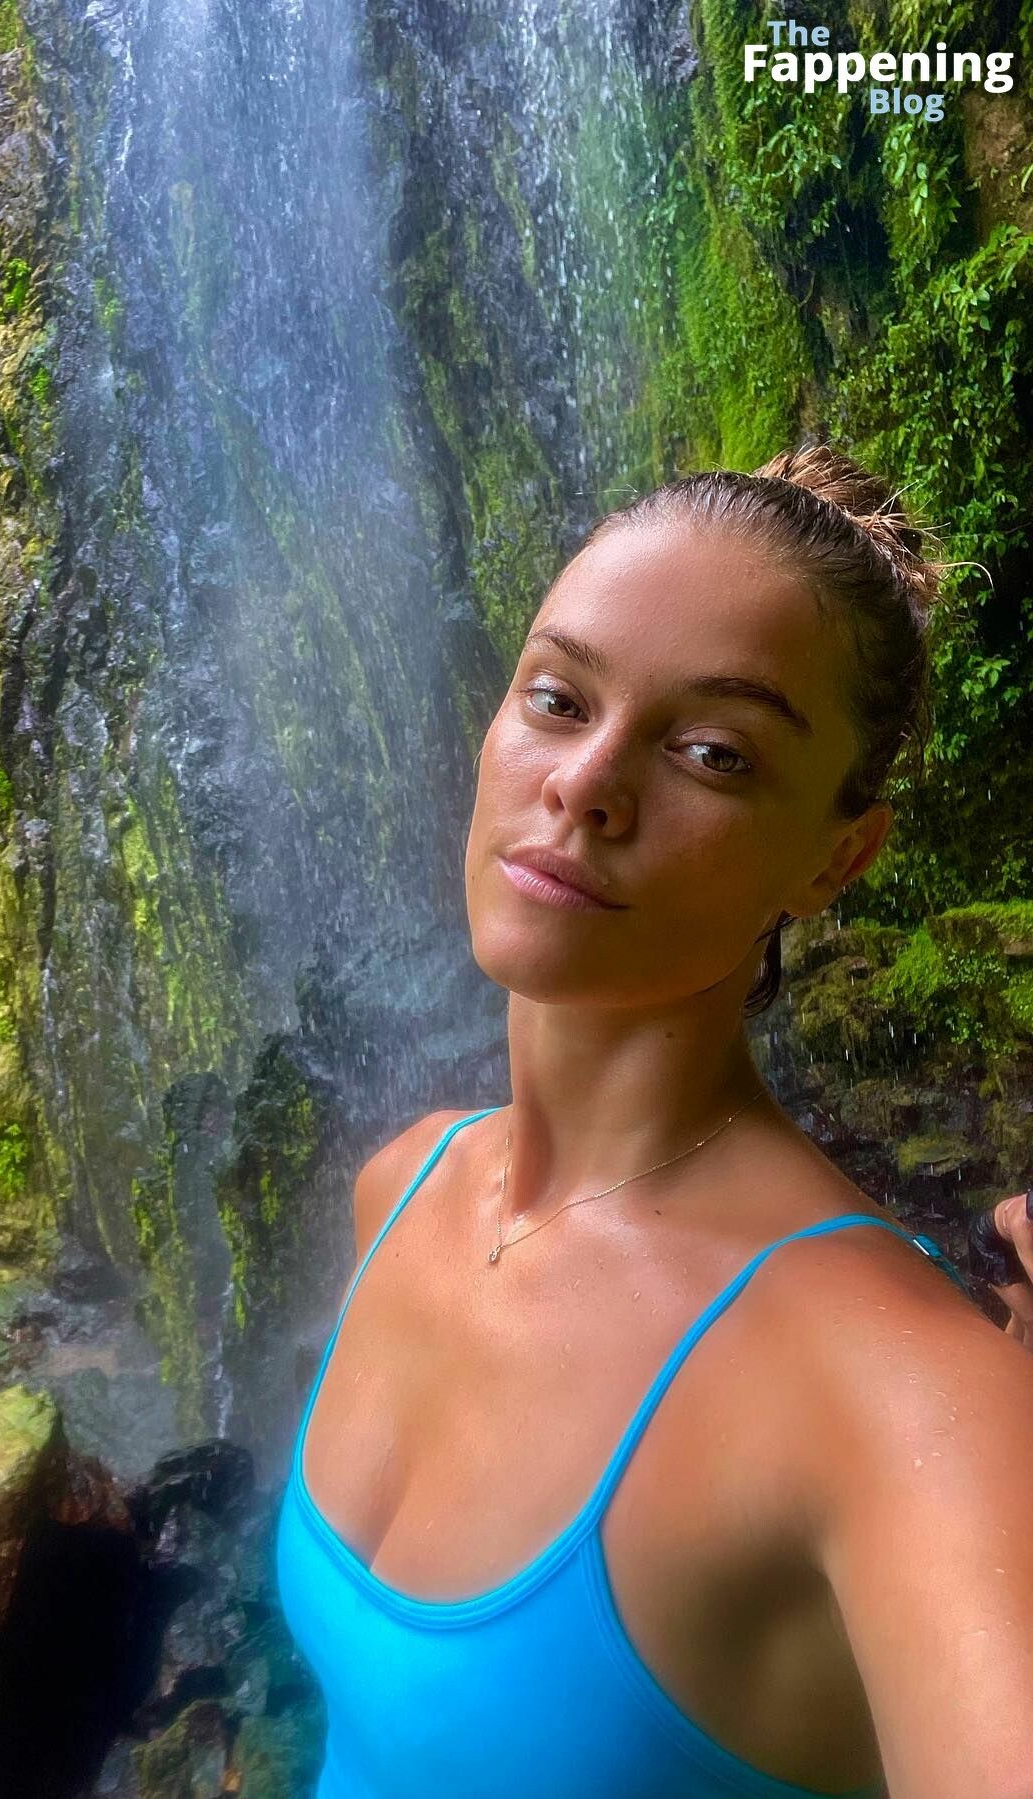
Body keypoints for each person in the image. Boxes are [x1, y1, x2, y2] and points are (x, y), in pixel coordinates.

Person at [275, 441, 1033, 1799]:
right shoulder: (403, 1187)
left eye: (713, 753)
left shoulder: (900, 1394)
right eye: (558, 698)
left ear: (838, 856)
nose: (587, 782)